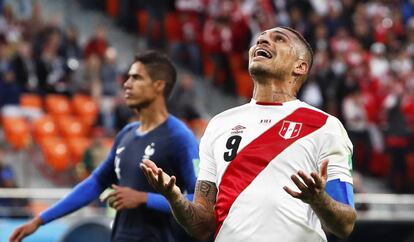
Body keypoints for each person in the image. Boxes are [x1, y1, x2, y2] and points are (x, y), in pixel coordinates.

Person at [141, 27, 357, 242]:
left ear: (300, 67)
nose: (262, 42)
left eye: (279, 39)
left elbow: (345, 225)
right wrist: (175, 199)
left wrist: (319, 200)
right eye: (260, 39)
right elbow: (202, 227)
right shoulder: (219, 124)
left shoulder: (325, 126)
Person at [9, 50, 199, 242]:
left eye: (136, 78)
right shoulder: (127, 134)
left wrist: (144, 198)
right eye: (127, 78)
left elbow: (198, 201)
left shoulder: (180, 137)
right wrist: (40, 220)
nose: (127, 84)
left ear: (158, 86)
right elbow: (95, 183)